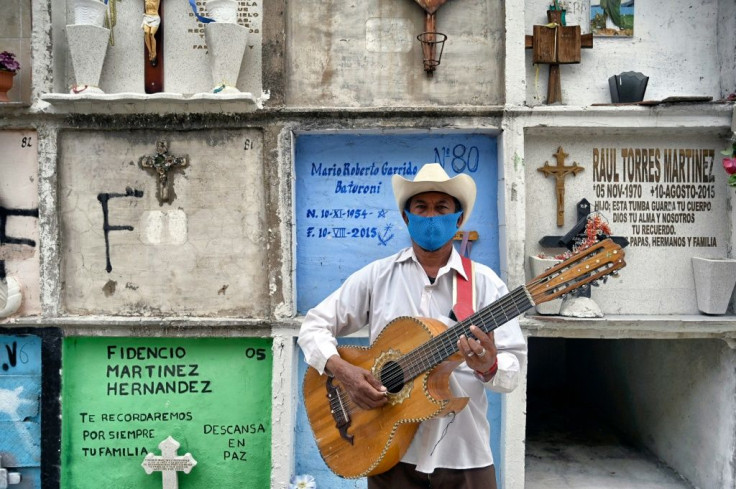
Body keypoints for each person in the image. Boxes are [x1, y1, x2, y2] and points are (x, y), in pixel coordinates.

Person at [298, 163, 527, 489]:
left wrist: (489, 366)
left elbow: (512, 372)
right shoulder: (378, 276)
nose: (431, 216)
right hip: (390, 452)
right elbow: (313, 325)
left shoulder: (486, 285)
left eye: (441, 207)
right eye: (421, 207)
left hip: (464, 454)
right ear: (407, 217)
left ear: (458, 218)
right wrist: (342, 372)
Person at [142, 0, 161, 65]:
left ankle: (154, 53)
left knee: (151, 34)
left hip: (155, 17)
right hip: (147, 17)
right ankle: (150, 52)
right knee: (146, 33)